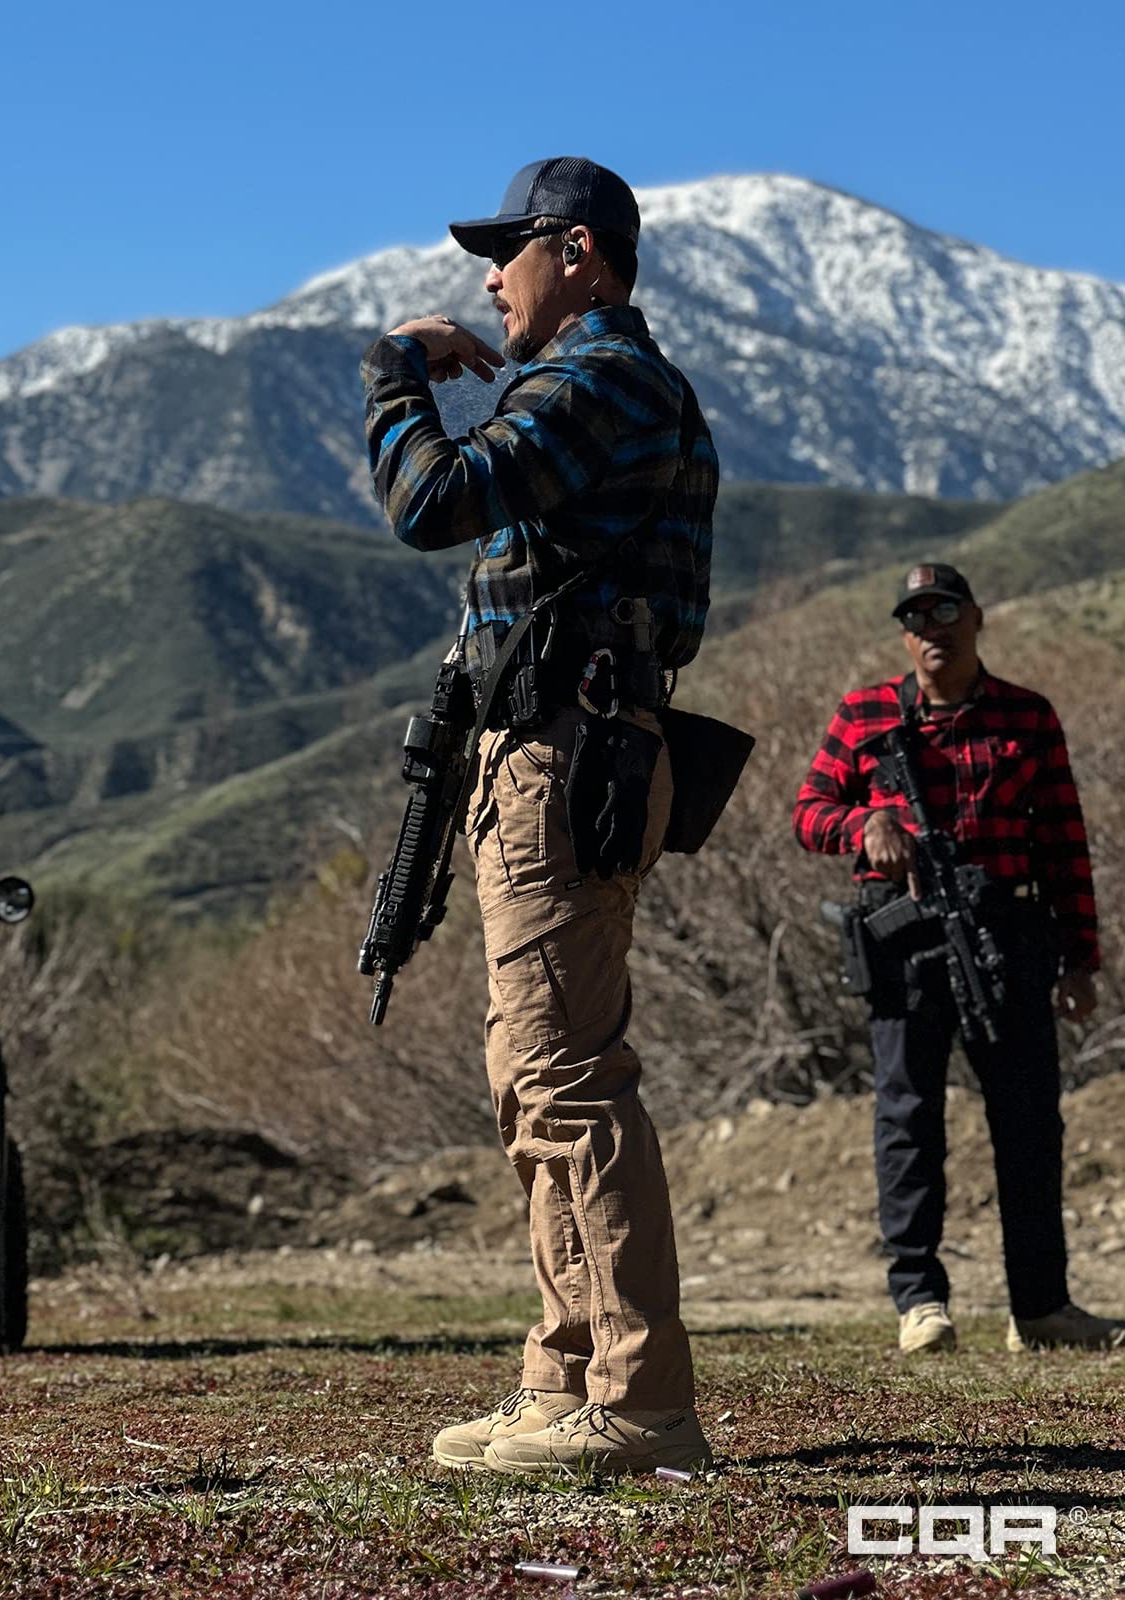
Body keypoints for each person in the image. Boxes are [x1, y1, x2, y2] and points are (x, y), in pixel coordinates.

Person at [360, 158, 717, 1473]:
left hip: (567, 753)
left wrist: (392, 372)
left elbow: (430, 502)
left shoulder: (596, 378)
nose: (486, 277)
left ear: (574, 252)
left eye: (505, 250)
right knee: (533, 1074)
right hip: (570, 747)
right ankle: (568, 1378)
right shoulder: (603, 384)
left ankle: (637, 1401)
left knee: (565, 1075)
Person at [793, 562, 1121, 1353]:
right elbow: (808, 813)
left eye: (944, 613)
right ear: (903, 635)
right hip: (903, 946)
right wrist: (864, 824)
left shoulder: (1026, 717)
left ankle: (1040, 1309)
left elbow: (1063, 845)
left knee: (1028, 1124)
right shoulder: (865, 712)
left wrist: (1080, 959)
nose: (930, 630)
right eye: (914, 618)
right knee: (907, 1121)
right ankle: (919, 1302)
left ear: (976, 619)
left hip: (1004, 939)